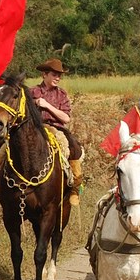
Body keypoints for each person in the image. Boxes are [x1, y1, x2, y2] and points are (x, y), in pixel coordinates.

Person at [30, 58, 84, 204]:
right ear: (44, 75)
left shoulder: (62, 94)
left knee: (74, 146)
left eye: (59, 75)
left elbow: (66, 118)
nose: (58, 78)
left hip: (56, 129)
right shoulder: (31, 92)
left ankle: (75, 186)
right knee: (4, 146)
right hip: (34, 128)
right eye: (54, 74)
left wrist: (47, 105)